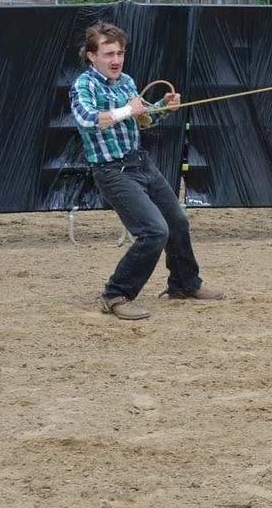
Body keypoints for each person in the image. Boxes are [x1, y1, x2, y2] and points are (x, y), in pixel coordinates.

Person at [70, 22, 224, 320]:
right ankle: (116, 293)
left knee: (177, 222)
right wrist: (130, 110)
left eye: (120, 53)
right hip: (112, 170)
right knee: (154, 231)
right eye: (108, 54)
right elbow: (88, 119)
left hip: (140, 163)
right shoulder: (83, 85)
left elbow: (143, 121)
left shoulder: (126, 81)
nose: (116, 60)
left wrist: (163, 107)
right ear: (91, 56)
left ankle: (184, 283)